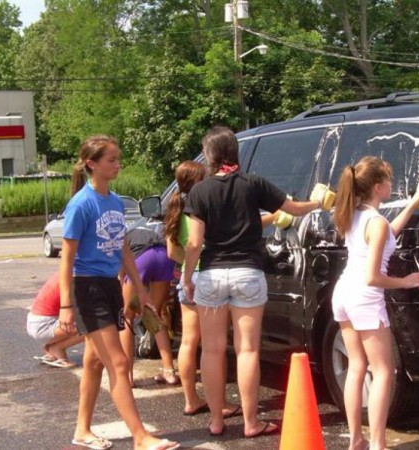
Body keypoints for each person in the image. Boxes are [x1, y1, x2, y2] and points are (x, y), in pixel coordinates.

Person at [182, 126, 322, 438]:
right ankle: (250, 423)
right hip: (248, 272)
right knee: (247, 350)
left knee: (213, 351)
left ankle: (216, 421)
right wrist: (319, 203)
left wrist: (187, 277)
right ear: (234, 153)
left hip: (212, 274)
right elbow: (294, 209)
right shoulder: (253, 183)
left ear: (209, 155)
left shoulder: (199, 192)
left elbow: (193, 244)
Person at [58, 135, 180, 450]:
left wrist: (141, 291)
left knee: (94, 363)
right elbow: (67, 258)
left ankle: (82, 430)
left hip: (112, 286)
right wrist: (65, 306)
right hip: (87, 288)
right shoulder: (81, 204)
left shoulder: (113, 200)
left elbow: (123, 247)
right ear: (91, 164)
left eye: (118, 159)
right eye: (111, 160)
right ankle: (140, 437)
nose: (118, 165)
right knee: (120, 363)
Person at [332, 156, 419, 450]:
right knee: (383, 371)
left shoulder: (355, 214)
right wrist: (406, 281)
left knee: (356, 367)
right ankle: (378, 443)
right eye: (389, 180)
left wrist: (415, 201)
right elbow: (373, 277)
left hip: (343, 294)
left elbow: (389, 233)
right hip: (364, 298)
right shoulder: (374, 222)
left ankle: (357, 441)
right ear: (378, 187)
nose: (392, 184)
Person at [164, 160, 240, 418]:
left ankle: (191, 400)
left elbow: (172, 252)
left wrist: (187, 265)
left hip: (186, 276)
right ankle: (220, 403)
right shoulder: (202, 209)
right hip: (206, 275)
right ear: (199, 182)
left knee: (188, 341)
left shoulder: (176, 209)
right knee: (214, 346)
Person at [119, 222, 179, 387]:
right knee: (153, 316)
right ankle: (169, 372)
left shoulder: (120, 236)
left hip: (141, 258)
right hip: (162, 256)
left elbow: (121, 271)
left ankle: (128, 376)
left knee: (126, 319)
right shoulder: (144, 228)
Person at [27, 271, 84, 368]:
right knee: (94, 326)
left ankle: (52, 347)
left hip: (36, 322)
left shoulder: (67, 272)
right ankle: (57, 348)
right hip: (44, 325)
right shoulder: (76, 276)